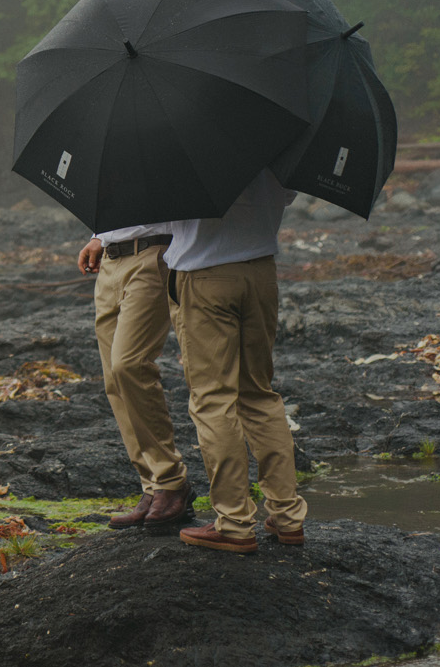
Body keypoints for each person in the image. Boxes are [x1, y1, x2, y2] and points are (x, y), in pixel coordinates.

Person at [165, 168, 308, 554]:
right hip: (260, 271)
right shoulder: (274, 139)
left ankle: (233, 522)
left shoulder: (187, 145)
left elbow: (163, 209)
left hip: (203, 273)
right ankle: (288, 516)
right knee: (258, 395)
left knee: (213, 400)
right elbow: (288, 194)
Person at [78, 226, 194, 529]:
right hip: (110, 261)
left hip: (151, 254)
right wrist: (99, 237)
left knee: (129, 366)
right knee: (114, 383)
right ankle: (153, 485)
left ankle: (171, 481)